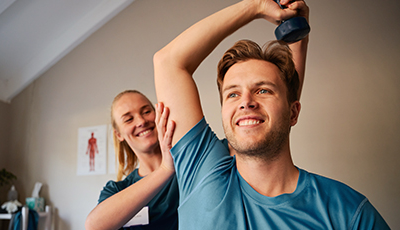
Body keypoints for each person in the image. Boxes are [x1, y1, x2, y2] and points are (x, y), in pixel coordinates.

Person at [153, 0, 390, 229]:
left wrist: (298, 38)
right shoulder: (203, 173)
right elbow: (168, 62)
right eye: (233, 94)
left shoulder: (346, 212)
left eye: (263, 90)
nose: (246, 102)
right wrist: (255, 6)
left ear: (293, 113)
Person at [85, 90, 178, 230]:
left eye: (146, 112)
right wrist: (165, 169)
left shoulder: (189, 166)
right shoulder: (117, 190)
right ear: (119, 134)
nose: (141, 121)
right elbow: (94, 226)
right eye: (129, 119)